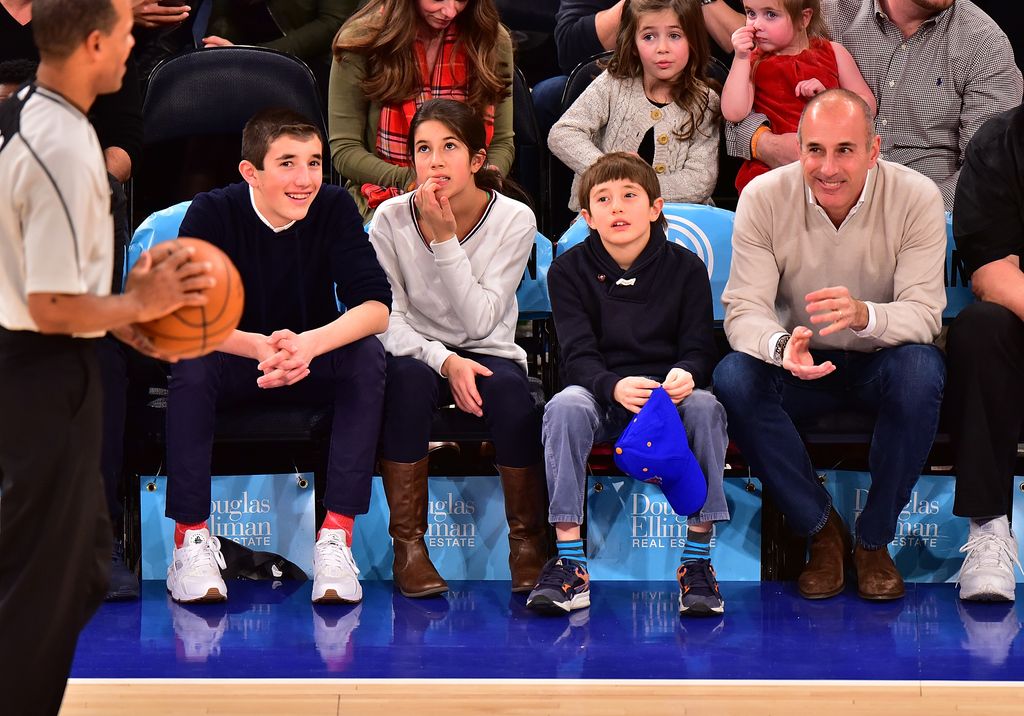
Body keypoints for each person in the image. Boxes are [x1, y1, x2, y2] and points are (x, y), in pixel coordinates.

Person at [0, 1, 213, 713]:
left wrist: (123, 326)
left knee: (81, 563)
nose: (133, 45)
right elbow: (50, 305)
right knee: (45, 580)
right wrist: (138, 305)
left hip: (48, 359)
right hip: (39, 368)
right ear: (94, 43)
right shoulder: (64, 147)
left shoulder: (29, 112)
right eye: (125, 32)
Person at [713, 89, 946, 601]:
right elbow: (743, 311)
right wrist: (781, 348)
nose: (828, 167)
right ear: (798, 148)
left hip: (880, 361)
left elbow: (926, 314)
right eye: (814, 149)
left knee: (922, 370)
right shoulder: (763, 197)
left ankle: (874, 540)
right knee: (733, 376)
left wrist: (866, 315)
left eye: (845, 149)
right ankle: (822, 533)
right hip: (801, 364)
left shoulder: (918, 196)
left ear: (874, 149)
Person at [163, 107, 393, 606]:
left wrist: (309, 344)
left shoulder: (333, 206)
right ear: (251, 172)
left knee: (367, 356)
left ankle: (336, 539)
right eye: (287, 163)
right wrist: (260, 346)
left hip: (307, 358)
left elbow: (376, 307)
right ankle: (190, 541)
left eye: (314, 163)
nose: (305, 179)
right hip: (238, 357)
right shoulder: (213, 210)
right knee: (191, 361)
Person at [528, 151, 728, 616]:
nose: (617, 207)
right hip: (604, 394)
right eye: (604, 198)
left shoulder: (686, 268)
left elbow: (700, 348)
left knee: (706, 408)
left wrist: (688, 373)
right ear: (587, 217)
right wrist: (612, 386)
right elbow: (576, 356)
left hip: (667, 399)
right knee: (563, 406)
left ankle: (698, 561)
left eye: (629, 196)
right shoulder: (568, 270)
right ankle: (570, 562)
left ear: (656, 208)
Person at [368, 98, 547, 598]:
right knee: (404, 382)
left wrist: (446, 241)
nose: (436, 161)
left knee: (511, 394)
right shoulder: (389, 220)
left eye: (450, 147)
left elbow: (481, 320)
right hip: (418, 350)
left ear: (476, 160)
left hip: (488, 346)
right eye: (423, 149)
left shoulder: (514, 219)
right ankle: (409, 548)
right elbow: (387, 320)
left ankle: (527, 542)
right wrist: (443, 360)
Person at [726, 0, 1022, 210]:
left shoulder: (984, 44)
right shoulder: (827, 14)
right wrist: (765, 144)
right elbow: (736, 106)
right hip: (813, 201)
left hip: (920, 213)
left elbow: (989, 171)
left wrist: (911, 211)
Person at [329, 0, 514, 220]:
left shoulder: (491, 38)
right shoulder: (362, 38)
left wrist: (478, 181)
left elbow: (502, 142)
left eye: (462, 0)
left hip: (469, 193)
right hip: (385, 196)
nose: (449, 10)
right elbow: (345, 148)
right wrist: (412, 180)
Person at [945, 104, 1024, 602]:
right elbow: (992, 274)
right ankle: (990, 529)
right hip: (1019, 323)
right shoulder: (1001, 143)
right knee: (979, 328)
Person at [548, 0, 721, 212]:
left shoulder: (705, 102)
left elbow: (700, 181)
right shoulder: (614, 83)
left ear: (693, 40)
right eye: (649, 37)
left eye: (675, 36)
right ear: (634, 44)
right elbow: (562, 134)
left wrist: (638, 186)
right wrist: (615, 173)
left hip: (674, 219)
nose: (662, 49)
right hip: (605, 216)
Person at [720, 0, 875, 192]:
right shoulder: (753, 61)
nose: (756, 24)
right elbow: (733, 112)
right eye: (751, 13)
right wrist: (740, 58)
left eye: (770, 15)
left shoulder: (833, 52)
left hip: (830, 163)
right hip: (773, 169)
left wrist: (831, 97)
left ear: (804, 18)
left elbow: (867, 104)